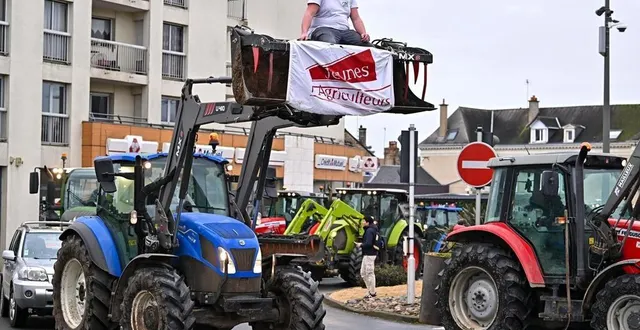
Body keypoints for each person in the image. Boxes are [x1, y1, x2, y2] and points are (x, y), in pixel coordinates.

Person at [299, 0, 370, 46]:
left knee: (368, 47)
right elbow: (309, 13)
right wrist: (304, 32)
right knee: (329, 43)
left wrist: (363, 33)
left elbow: (356, 18)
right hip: (323, 29)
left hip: (345, 31)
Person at [360, 215, 379, 298]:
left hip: (369, 254)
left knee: (369, 273)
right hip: (367, 254)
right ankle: (370, 290)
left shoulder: (369, 231)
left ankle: (372, 292)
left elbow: (368, 243)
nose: (362, 222)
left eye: (363, 221)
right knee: (363, 273)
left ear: (367, 222)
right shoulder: (370, 230)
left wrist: (360, 245)